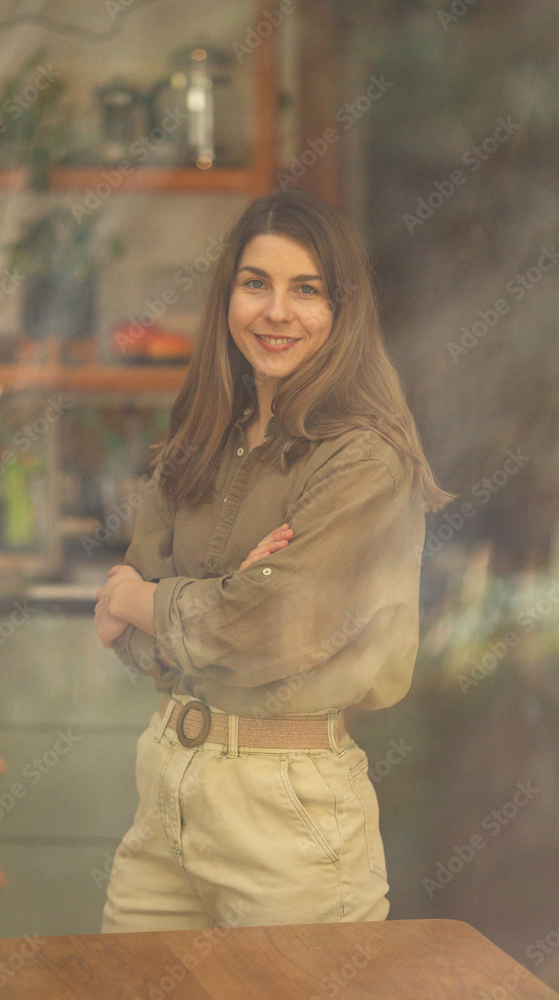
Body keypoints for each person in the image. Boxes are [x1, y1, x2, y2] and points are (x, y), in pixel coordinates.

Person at [94, 188, 455, 933]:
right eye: (256, 283)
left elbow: (264, 629)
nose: (276, 312)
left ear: (341, 309)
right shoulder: (200, 435)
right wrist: (220, 601)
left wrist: (145, 601)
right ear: (228, 295)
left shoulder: (363, 461)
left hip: (288, 813)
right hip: (164, 787)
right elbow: (135, 644)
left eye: (306, 290)